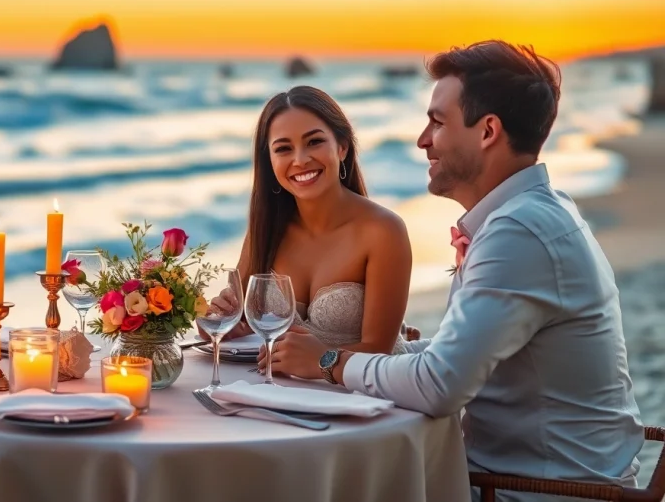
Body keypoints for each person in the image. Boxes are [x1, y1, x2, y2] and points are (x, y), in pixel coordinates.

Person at [265, 41, 643, 501]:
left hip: (534, 491)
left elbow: (440, 386)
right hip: (524, 477)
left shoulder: (518, 234)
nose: (423, 139)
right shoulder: (535, 212)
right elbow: (462, 355)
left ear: (487, 131)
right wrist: (397, 351)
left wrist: (329, 362)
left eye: (437, 122)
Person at [209, 85, 414, 355]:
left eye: (314, 142)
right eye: (283, 148)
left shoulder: (383, 231)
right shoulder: (266, 230)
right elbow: (244, 325)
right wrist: (220, 323)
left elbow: (379, 351)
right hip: (286, 393)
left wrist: (317, 360)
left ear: (342, 147)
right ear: (269, 161)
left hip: (373, 392)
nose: (301, 160)